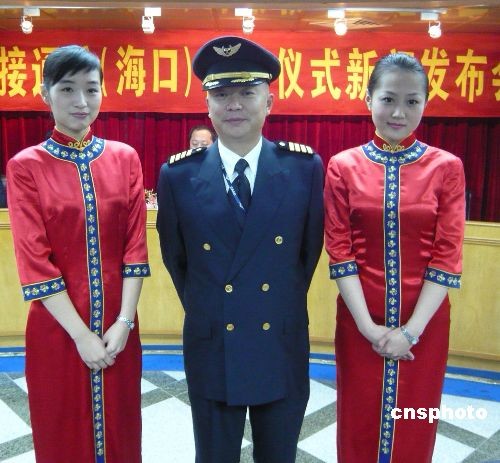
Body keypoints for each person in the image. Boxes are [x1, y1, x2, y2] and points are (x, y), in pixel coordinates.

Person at [156, 36, 324, 463]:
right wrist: (213, 308)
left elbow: (306, 256)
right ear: (207, 105)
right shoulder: (178, 176)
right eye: (221, 94)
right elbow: (177, 261)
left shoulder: (303, 169)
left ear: (269, 101)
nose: (234, 104)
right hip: (213, 342)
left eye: (247, 93)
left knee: (278, 456)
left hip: (279, 342)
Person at [7, 45, 150, 463]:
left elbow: (135, 250)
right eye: (67, 89)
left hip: (119, 328)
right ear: (45, 94)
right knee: (62, 431)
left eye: (91, 88)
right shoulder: (26, 166)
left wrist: (124, 323)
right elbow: (35, 263)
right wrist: (81, 335)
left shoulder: (124, 159)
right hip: (58, 330)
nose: (81, 101)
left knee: (122, 430)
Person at [324, 52, 465, 462]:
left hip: (426, 322)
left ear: (425, 103)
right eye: (388, 99)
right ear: (369, 99)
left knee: (415, 418)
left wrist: (410, 332)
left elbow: (446, 256)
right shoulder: (343, 166)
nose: (399, 112)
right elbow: (340, 252)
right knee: (358, 417)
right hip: (359, 319)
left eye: (411, 101)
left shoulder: (447, 168)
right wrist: (369, 328)